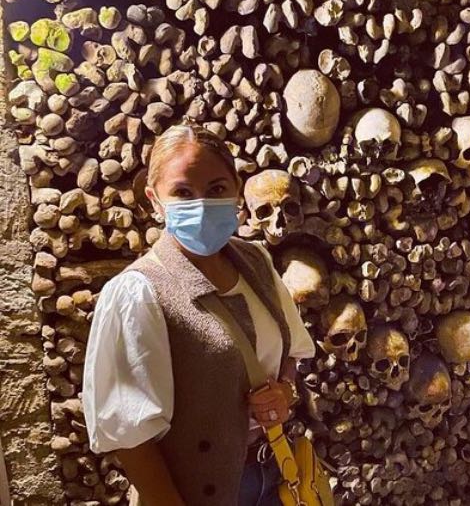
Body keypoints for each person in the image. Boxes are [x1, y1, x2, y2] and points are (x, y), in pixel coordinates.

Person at [83, 123, 316, 506]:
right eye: (183, 193)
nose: (202, 204)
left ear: (236, 191)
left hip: (275, 473)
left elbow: (290, 347)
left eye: (216, 190)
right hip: (198, 493)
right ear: (155, 201)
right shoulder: (138, 293)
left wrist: (286, 391)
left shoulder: (255, 261)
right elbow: (130, 437)